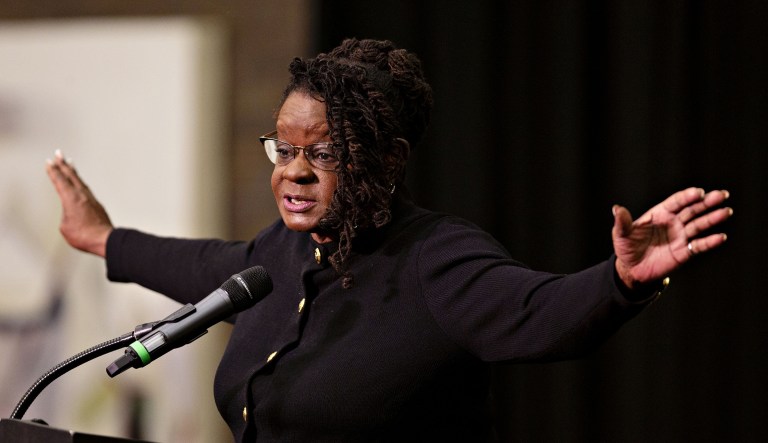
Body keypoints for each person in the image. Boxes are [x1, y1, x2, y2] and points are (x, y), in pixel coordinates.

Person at [46, 38, 732, 442]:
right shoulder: (277, 255)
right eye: (282, 149)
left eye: (323, 153)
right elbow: (204, 265)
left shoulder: (437, 259)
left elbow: (539, 312)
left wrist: (622, 280)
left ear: (388, 159)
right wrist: (103, 239)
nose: (292, 172)